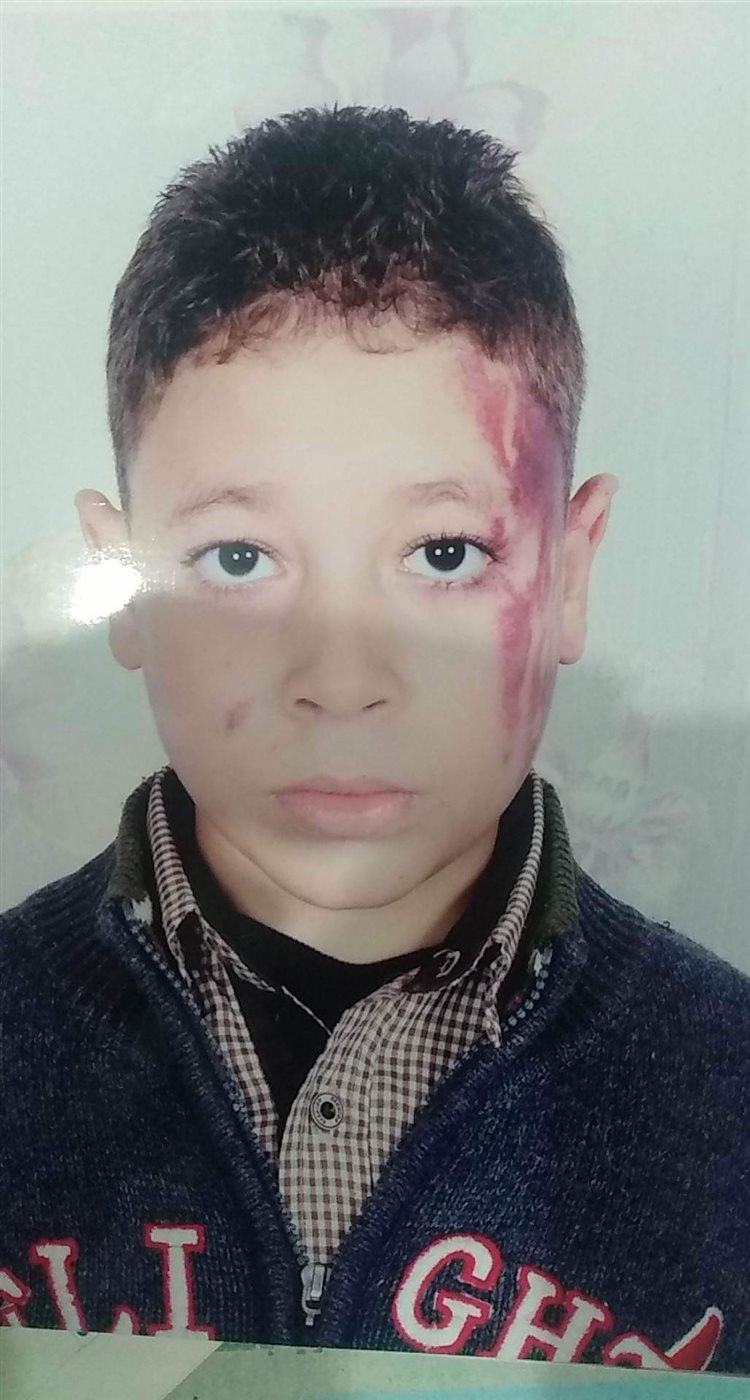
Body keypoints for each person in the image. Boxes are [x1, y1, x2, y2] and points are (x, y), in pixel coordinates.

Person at [1, 106, 748, 1373]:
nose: (341, 680)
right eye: (239, 557)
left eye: (444, 553)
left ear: (570, 574)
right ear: (122, 583)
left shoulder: (727, 1092)